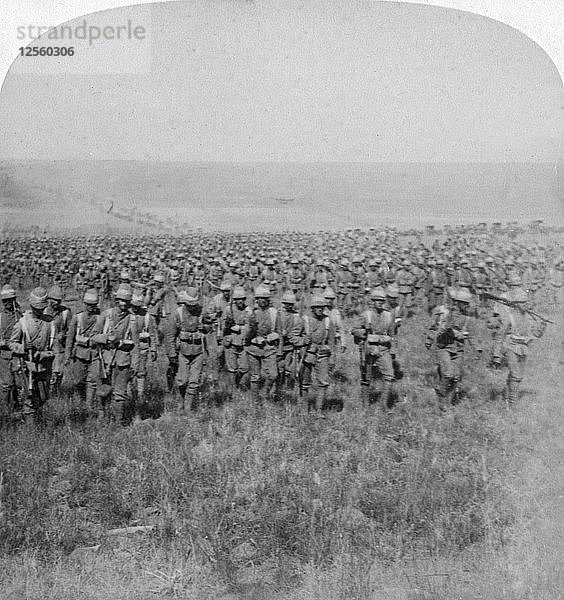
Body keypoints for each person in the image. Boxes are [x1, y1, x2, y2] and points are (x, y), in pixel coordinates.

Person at [490, 277, 547, 403]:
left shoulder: (529, 318)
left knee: (517, 376)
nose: (525, 305)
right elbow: (499, 336)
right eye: (522, 303)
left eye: (526, 302)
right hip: (510, 347)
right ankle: (512, 403)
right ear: (516, 304)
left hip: (523, 349)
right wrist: (496, 355)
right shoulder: (509, 317)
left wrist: (542, 326)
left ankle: (506, 394)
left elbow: (536, 334)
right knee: (516, 375)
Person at [90, 286, 139, 424]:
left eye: (126, 301)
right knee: (102, 390)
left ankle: (119, 422)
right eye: (121, 300)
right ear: (116, 300)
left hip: (123, 361)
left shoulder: (132, 319)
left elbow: (135, 346)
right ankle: (102, 415)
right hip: (104, 359)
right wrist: (106, 338)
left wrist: (135, 364)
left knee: (120, 393)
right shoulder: (106, 315)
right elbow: (92, 337)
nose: (123, 304)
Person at [9, 287, 56, 424]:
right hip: (27, 367)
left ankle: (37, 418)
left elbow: (55, 347)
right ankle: (31, 427)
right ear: (31, 306)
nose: (39, 311)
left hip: (44, 366)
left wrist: (45, 355)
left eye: (41, 308)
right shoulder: (22, 323)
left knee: (43, 396)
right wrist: (22, 348)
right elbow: (12, 343)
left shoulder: (50, 323)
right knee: (29, 397)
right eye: (36, 308)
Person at [425, 287, 477, 409]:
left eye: (466, 303)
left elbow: (470, 334)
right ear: (457, 302)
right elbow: (436, 328)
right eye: (463, 303)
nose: (465, 306)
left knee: (456, 376)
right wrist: (429, 340)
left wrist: (477, 348)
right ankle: (441, 394)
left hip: (458, 349)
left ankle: (448, 401)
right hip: (444, 347)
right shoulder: (447, 313)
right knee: (448, 374)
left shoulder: (467, 317)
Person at [166, 287, 212, 411]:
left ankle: (188, 407)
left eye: (194, 304)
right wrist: (171, 354)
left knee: (194, 381)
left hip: (198, 350)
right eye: (189, 304)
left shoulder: (201, 312)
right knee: (182, 381)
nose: (192, 307)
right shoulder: (177, 313)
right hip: (182, 351)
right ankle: (180, 400)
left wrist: (205, 327)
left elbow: (209, 327)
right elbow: (170, 335)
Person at [351, 287, 395, 407]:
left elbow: (392, 335)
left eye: (382, 301)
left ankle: (383, 404)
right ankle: (365, 404)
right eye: (377, 300)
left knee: (389, 376)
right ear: (372, 302)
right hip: (368, 349)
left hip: (384, 349)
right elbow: (354, 330)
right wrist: (363, 333)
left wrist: (393, 351)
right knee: (366, 378)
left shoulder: (388, 316)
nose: (380, 303)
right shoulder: (366, 315)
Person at [65, 288, 105, 415]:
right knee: (78, 380)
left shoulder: (100, 318)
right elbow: (70, 338)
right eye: (88, 305)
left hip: (94, 353)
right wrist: (67, 355)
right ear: (84, 304)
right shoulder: (77, 318)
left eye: (93, 305)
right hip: (79, 353)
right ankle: (82, 399)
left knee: (92, 380)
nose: (91, 308)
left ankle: (88, 405)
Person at [294, 295, 335, 411]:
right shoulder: (304, 320)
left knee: (323, 382)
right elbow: (293, 336)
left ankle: (319, 410)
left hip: (322, 354)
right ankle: (304, 409)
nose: (320, 309)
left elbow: (332, 341)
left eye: (322, 307)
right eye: (317, 307)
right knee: (304, 382)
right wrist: (302, 341)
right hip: (307, 354)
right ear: (312, 308)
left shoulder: (327, 321)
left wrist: (332, 357)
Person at [243, 285, 281, 404]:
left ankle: (265, 391)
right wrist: (252, 331)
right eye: (260, 298)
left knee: (273, 375)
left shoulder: (274, 313)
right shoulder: (251, 313)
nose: (263, 300)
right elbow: (245, 334)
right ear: (256, 299)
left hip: (269, 348)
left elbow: (279, 331)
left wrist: (273, 336)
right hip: (253, 348)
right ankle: (255, 401)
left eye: (265, 298)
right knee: (255, 376)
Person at [130, 293, 158, 411]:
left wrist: (154, 349)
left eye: (138, 306)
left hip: (142, 348)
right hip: (128, 349)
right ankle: (129, 394)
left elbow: (152, 333)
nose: (135, 308)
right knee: (128, 372)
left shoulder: (147, 317)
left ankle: (140, 395)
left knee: (141, 372)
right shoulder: (126, 315)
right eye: (133, 305)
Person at [222, 286, 252, 391]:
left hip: (243, 341)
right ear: (234, 300)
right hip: (231, 341)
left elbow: (250, 326)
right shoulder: (228, 309)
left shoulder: (248, 310)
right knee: (231, 367)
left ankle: (239, 383)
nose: (240, 301)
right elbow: (223, 325)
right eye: (238, 299)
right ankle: (232, 388)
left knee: (244, 367)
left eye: (242, 299)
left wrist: (240, 328)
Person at [45, 285, 71, 395]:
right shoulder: (44, 311)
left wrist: (63, 333)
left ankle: (56, 394)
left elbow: (71, 331)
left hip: (59, 348)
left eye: (59, 301)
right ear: (49, 299)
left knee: (58, 373)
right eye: (54, 300)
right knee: (46, 372)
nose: (57, 303)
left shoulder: (65, 312)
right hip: (46, 348)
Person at [0, 285, 19, 420]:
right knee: (7, 384)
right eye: (5, 300)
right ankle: (6, 411)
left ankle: (17, 407)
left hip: (18, 355)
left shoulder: (21, 316)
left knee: (19, 383)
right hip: (4, 355)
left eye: (10, 300)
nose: (8, 303)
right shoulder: (0, 317)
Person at [277, 291, 302, 392]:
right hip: (278, 344)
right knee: (279, 365)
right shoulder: (278, 313)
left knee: (289, 366)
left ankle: (288, 386)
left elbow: (299, 328)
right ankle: (279, 384)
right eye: (287, 304)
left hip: (290, 344)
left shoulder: (296, 316)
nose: (289, 306)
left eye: (291, 304)